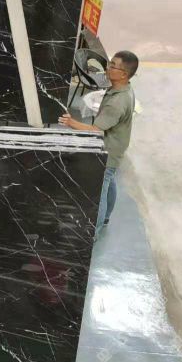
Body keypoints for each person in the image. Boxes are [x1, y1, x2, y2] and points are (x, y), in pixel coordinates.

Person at [58, 50, 138, 232]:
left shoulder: (117, 102)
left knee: (100, 192)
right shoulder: (123, 89)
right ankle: (107, 217)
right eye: (110, 63)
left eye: (112, 66)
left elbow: (96, 130)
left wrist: (71, 122)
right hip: (117, 145)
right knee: (109, 181)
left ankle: (97, 227)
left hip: (109, 149)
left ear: (124, 74)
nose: (107, 68)